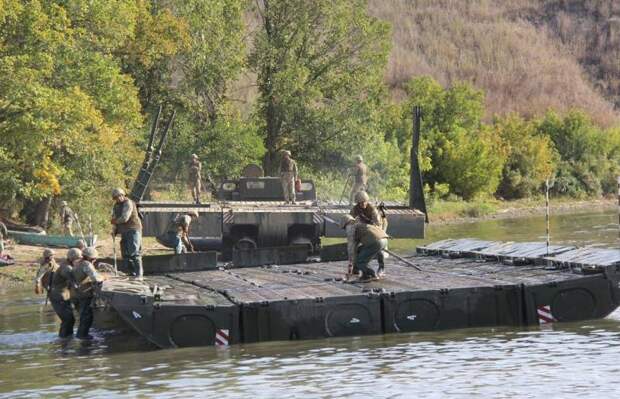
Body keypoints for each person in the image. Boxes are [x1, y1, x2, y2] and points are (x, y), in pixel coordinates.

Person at [34, 248, 75, 338]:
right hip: (55, 291)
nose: (52, 257)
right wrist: (38, 284)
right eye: (50, 256)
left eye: (52, 255)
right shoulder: (46, 265)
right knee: (67, 319)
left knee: (67, 318)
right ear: (47, 256)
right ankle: (64, 337)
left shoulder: (51, 263)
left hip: (56, 290)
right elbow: (38, 277)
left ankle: (66, 336)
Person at [341, 215, 389, 282]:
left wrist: (350, 263)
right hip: (384, 240)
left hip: (375, 242)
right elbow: (356, 248)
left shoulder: (350, 227)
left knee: (360, 261)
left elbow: (351, 248)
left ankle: (371, 275)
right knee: (359, 251)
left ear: (345, 224)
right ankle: (361, 273)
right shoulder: (360, 224)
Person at [350, 191, 387, 276]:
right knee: (357, 248)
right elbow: (351, 221)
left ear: (367, 201)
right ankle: (356, 268)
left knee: (379, 248)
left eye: (364, 202)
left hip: (378, 228)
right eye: (360, 203)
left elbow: (378, 225)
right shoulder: (354, 210)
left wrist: (367, 226)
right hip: (364, 230)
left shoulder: (372, 209)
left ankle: (381, 267)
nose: (362, 204)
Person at [70, 247, 103, 340]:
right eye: (93, 258)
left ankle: (81, 335)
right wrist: (103, 278)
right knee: (86, 317)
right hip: (83, 294)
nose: (95, 260)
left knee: (82, 316)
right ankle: (82, 336)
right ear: (89, 258)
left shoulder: (77, 263)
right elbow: (96, 278)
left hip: (75, 294)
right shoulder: (86, 264)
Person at [110, 188, 143, 279]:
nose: (118, 199)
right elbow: (114, 217)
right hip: (124, 231)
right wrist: (114, 230)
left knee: (134, 252)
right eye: (115, 197)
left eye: (119, 196)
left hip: (133, 229)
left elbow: (125, 218)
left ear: (123, 195)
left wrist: (115, 222)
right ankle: (131, 272)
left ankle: (139, 274)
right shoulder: (116, 206)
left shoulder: (128, 203)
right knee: (125, 253)